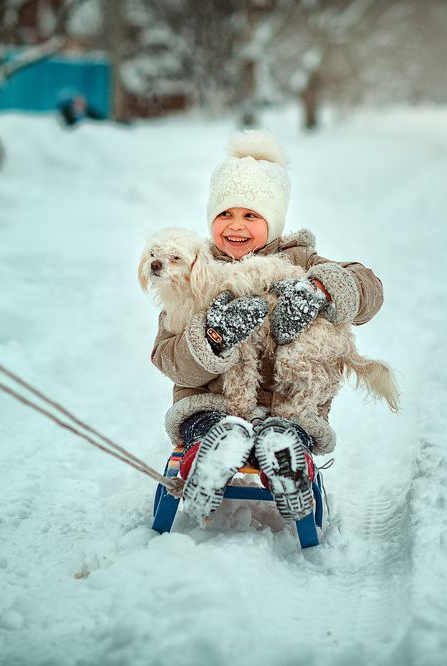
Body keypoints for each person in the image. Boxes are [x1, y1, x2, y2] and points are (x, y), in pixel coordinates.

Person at [150, 130, 383, 524]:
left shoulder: (302, 262)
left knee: (286, 428)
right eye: (224, 213)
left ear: (273, 221)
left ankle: (285, 454)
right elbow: (169, 359)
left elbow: (370, 289)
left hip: (287, 407)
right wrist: (213, 337)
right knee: (214, 425)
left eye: (251, 215)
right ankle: (211, 455)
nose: (235, 226)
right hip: (214, 403)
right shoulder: (191, 268)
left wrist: (321, 288)